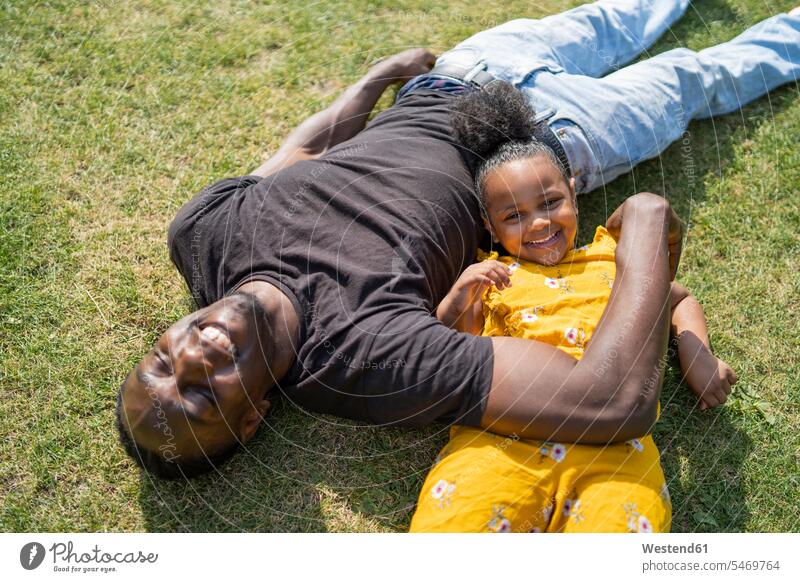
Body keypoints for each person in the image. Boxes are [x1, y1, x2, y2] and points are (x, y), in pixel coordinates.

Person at [115, 1, 799, 479]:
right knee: (697, 75)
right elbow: (610, 400)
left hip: (468, 68)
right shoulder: (360, 359)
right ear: (255, 416)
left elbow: (302, 151)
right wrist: (645, 221)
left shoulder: (201, 235)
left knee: (616, 15)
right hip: (553, 142)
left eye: (161, 365)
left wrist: (381, 77)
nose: (194, 361)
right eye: (203, 396)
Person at [409, 83, 737, 532]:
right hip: (500, 442)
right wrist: (457, 297)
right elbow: (453, 353)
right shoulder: (487, 275)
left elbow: (675, 298)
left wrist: (695, 352)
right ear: (488, 224)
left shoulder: (613, 257)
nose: (539, 223)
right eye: (513, 216)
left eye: (550, 203)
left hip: (617, 452)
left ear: (573, 190)